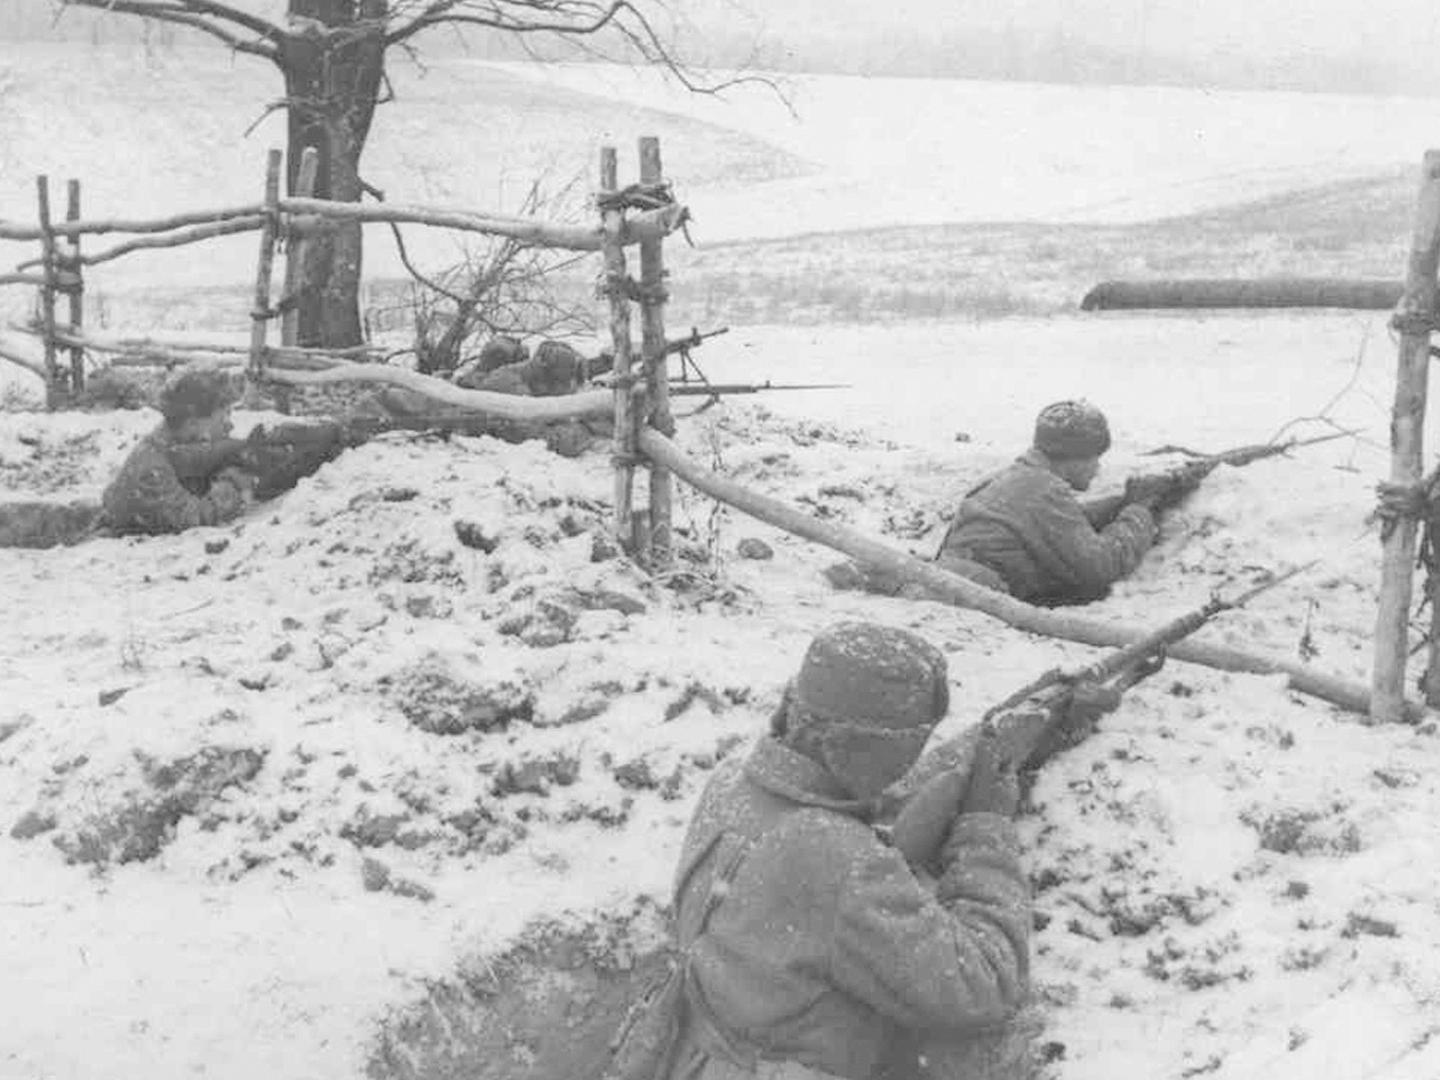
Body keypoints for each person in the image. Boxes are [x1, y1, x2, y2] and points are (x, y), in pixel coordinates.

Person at [661, 621, 1032, 1080]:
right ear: (854, 748)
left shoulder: (734, 783)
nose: (909, 765)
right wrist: (985, 824)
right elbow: (986, 983)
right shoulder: (833, 854)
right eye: (907, 747)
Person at [934, 399, 1158, 605]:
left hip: (947, 584)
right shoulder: (1045, 490)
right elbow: (1102, 567)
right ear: (1075, 458)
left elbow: (1063, 521)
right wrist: (1138, 509)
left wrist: (1120, 502)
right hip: (975, 597)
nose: (1097, 469)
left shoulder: (1012, 478)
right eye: (1094, 458)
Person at [100, 364, 257, 535]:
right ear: (193, 423)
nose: (230, 424)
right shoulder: (152, 468)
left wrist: (239, 450)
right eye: (223, 416)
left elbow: (203, 457)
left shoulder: (174, 443)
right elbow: (197, 518)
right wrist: (232, 482)